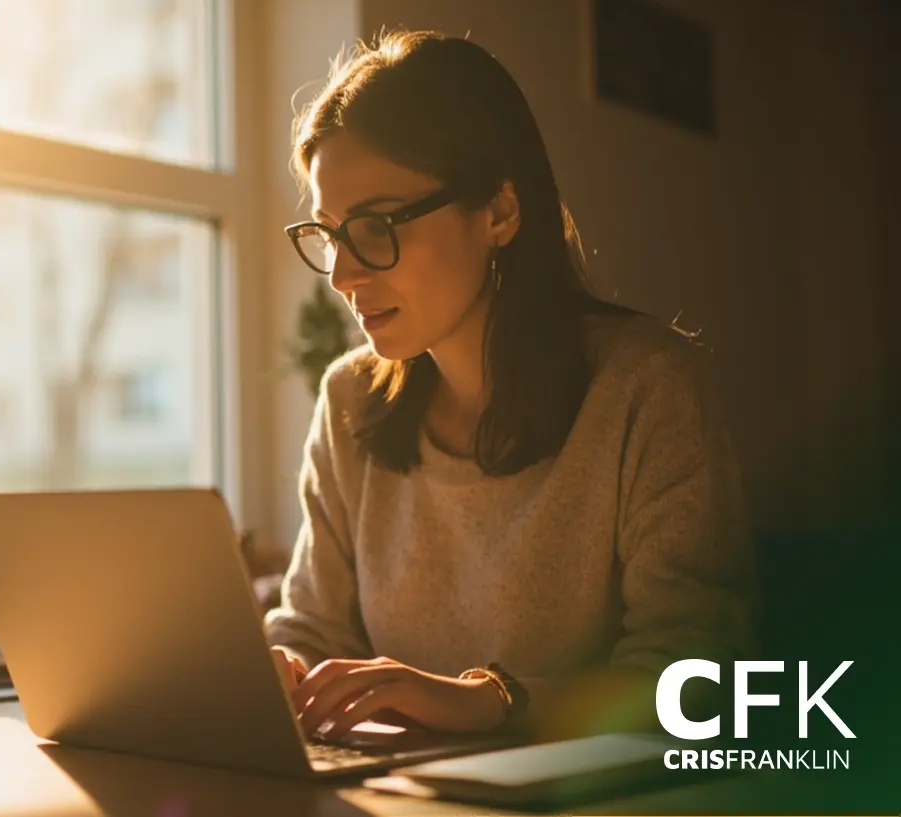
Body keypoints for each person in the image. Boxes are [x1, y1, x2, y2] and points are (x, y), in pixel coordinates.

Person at [263, 29, 759, 744]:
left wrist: (491, 701)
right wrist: (280, 669)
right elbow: (310, 627)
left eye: (372, 226)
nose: (342, 274)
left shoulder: (646, 388)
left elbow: (699, 677)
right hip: (391, 787)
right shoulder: (350, 401)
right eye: (329, 233)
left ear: (498, 211)